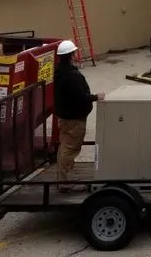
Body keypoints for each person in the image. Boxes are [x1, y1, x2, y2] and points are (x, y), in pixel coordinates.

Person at [52, 39, 104, 192]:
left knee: (64, 147)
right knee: (70, 148)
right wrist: (96, 97)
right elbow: (80, 97)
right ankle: (65, 181)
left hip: (64, 117)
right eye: (74, 52)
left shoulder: (59, 71)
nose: (76, 54)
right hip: (74, 119)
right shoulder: (72, 75)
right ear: (71, 55)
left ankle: (63, 177)